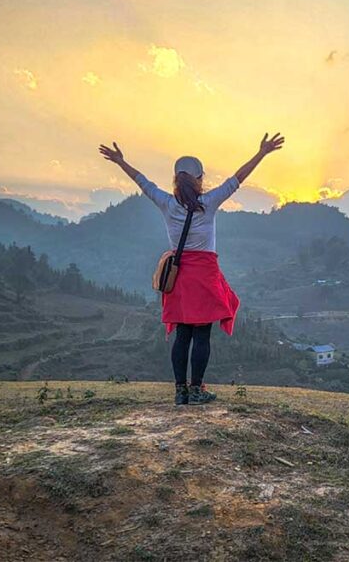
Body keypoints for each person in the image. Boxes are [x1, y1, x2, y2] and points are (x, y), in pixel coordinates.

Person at [99, 133, 284, 405]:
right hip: (204, 277)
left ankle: (180, 391)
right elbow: (237, 179)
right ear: (199, 179)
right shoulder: (208, 204)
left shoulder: (166, 203)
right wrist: (262, 153)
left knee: (182, 335)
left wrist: (120, 162)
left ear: (176, 179)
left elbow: (143, 182)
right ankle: (197, 390)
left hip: (180, 276)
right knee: (201, 335)